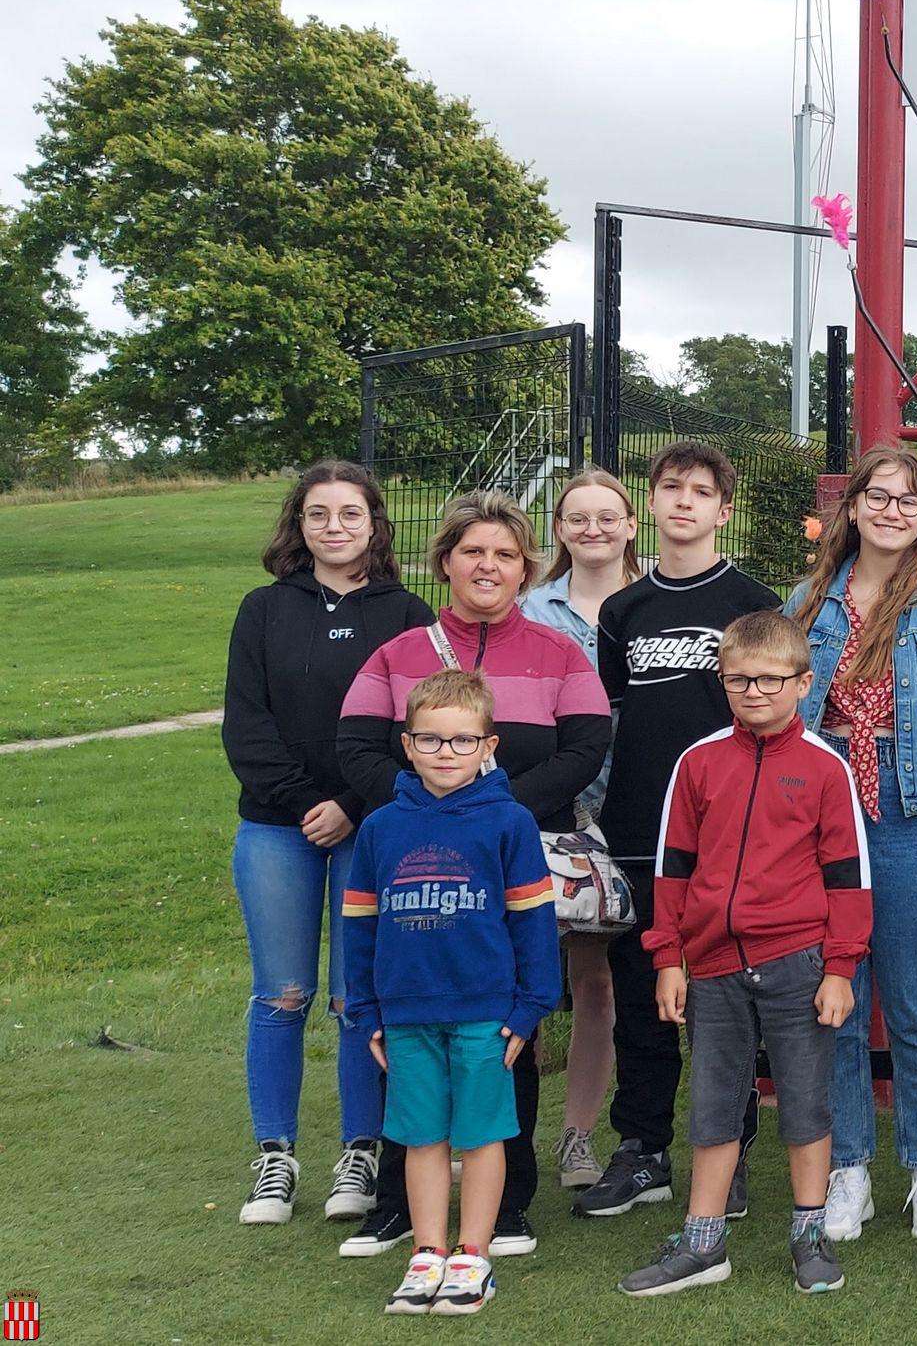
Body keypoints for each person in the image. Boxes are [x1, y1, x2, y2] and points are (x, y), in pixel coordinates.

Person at [336, 491, 609, 1259]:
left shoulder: (560, 651)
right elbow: (355, 746)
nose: (488, 565)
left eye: (505, 553)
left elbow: (585, 747)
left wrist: (492, 812)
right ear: (446, 562)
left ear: (526, 566)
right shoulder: (398, 652)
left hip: (511, 851)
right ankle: (398, 1202)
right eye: (472, 552)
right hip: (416, 860)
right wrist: (428, 807)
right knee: (413, 1014)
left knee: (501, 1022)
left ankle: (509, 1201)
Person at [617, 612, 872, 1298]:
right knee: (714, 1105)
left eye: (769, 678)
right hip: (715, 967)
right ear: (722, 680)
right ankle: (704, 1242)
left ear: (803, 682)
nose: (754, 691)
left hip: (800, 963)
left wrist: (842, 966)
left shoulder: (825, 768)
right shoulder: (697, 763)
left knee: (806, 1104)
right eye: (738, 679)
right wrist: (667, 955)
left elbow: (848, 874)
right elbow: (672, 868)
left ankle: (809, 1234)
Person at [785, 447, 917, 1244]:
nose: (893, 511)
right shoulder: (809, 601)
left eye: (910, 501)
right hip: (821, 815)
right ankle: (849, 1171)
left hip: (910, 815)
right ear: (855, 505)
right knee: (833, 993)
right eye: (880, 495)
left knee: (910, 992)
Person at [223, 462, 434, 1225]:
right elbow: (246, 728)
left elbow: (411, 728)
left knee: (355, 999)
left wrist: (349, 802)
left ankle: (360, 1153)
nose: (335, 526)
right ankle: (274, 1157)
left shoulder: (408, 614)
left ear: (375, 524)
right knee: (282, 994)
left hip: (369, 827)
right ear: (299, 524)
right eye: (319, 514)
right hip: (277, 827)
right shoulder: (263, 610)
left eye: (350, 513)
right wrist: (309, 800)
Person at [576, 442, 780, 1220]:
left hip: (732, 828)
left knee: (731, 996)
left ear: (723, 509)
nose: (685, 502)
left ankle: (730, 1151)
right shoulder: (624, 612)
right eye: (671, 488)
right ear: (649, 505)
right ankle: (643, 1147)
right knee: (640, 993)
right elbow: (616, 719)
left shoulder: (752, 601)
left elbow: (769, 714)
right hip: (638, 825)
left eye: (701, 491)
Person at [342, 668, 561, 1316]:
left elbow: (534, 921)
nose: (446, 752)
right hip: (406, 1015)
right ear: (406, 745)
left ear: (488, 745)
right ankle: (427, 1253)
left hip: (487, 1014)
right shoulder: (381, 827)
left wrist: (530, 1006)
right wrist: (367, 1009)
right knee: (421, 1136)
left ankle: (473, 1255)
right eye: (430, 739)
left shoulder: (511, 821)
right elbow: (359, 924)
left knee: (482, 1134)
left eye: (463, 740)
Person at [520, 467, 642, 1191]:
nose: (593, 528)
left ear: (632, 524)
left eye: (608, 516)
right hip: (549, 811)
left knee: (597, 979)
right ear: (560, 529)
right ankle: (504, 1128)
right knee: (528, 974)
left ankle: (578, 1134)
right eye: (577, 518)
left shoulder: (654, 601)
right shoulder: (533, 609)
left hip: (627, 810)